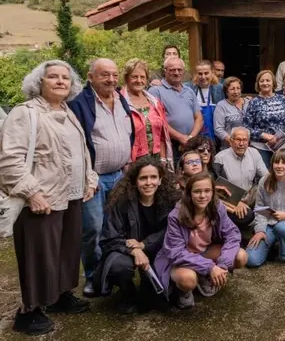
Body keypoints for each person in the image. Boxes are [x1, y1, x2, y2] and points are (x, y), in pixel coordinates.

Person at [0, 60, 97, 336]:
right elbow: (8, 159)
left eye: (65, 78)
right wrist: (31, 192)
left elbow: (82, 151)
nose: (60, 82)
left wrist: (89, 179)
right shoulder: (25, 113)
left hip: (72, 196)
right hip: (42, 198)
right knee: (38, 255)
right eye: (52, 77)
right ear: (38, 83)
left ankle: (60, 296)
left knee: (67, 250)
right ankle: (29, 311)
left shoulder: (68, 112)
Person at [69, 58, 135, 297]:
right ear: (90, 76)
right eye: (104, 75)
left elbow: (128, 134)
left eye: (114, 74)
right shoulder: (80, 103)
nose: (111, 79)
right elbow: (76, 143)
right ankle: (94, 277)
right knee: (93, 228)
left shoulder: (121, 99)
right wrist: (87, 176)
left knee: (117, 225)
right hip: (93, 179)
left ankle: (114, 269)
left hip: (119, 174)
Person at [92, 157, 180, 313]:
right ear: (134, 181)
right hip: (127, 250)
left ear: (160, 180)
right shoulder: (121, 202)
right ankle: (127, 292)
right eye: (143, 178)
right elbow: (110, 238)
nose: (148, 182)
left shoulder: (169, 201)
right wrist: (134, 250)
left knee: (155, 300)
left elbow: (171, 232)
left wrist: (144, 244)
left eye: (153, 177)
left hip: (156, 250)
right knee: (119, 267)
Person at [154, 173, 248, 309]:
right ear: (189, 193)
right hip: (180, 260)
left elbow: (232, 235)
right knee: (188, 279)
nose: (203, 196)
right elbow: (176, 253)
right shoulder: (176, 215)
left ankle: (204, 277)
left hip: (204, 253)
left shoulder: (217, 207)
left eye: (207, 191)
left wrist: (222, 265)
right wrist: (210, 267)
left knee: (241, 256)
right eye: (197, 191)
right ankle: (184, 292)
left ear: (213, 192)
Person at [245, 148, 285, 267]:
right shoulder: (264, 181)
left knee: (282, 227)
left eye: (284, 163)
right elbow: (260, 208)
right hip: (269, 224)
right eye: (276, 162)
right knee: (251, 260)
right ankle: (274, 242)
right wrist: (260, 230)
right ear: (272, 164)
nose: (279, 166)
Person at [148, 57, 203, 162]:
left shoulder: (189, 91)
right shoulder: (156, 91)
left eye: (179, 70)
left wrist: (190, 139)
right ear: (165, 71)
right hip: (170, 145)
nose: (176, 73)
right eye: (172, 70)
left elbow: (199, 118)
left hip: (191, 143)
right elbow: (157, 122)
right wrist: (181, 138)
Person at [121, 58, 173, 169]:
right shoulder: (119, 102)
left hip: (156, 158)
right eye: (134, 76)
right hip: (133, 162)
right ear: (126, 78)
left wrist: (163, 158)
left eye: (142, 77)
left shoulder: (154, 102)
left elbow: (162, 134)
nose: (139, 80)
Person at [213, 127, 268, 230]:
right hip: (230, 199)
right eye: (238, 139)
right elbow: (219, 190)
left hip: (249, 195)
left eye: (244, 140)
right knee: (246, 216)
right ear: (231, 141)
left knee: (267, 189)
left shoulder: (254, 153)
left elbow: (266, 176)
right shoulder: (220, 158)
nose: (241, 143)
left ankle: (263, 227)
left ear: (248, 141)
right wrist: (236, 202)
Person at [243, 70, 285, 167]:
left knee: (280, 173)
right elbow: (246, 128)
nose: (265, 83)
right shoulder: (254, 102)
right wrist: (264, 135)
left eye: (268, 80)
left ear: (273, 82)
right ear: (258, 84)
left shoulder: (282, 99)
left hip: (280, 145)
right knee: (264, 175)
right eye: (262, 81)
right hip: (260, 147)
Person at [186, 60, 225, 141]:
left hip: (215, 135)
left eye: (206, 73)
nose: (203, 77)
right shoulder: (187, 89)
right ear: (195, 74)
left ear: (212, 73)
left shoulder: (220, 88)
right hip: (194, 133)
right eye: (200, 74)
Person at [214, 76, 249, 149]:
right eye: (232, 89)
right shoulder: (221, 105)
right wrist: (233, 141)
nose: (236, 92)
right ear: (226, 91)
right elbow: (218, 129)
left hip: (249, 146)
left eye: (238, 88)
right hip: (229, 147)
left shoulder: (248, 103)